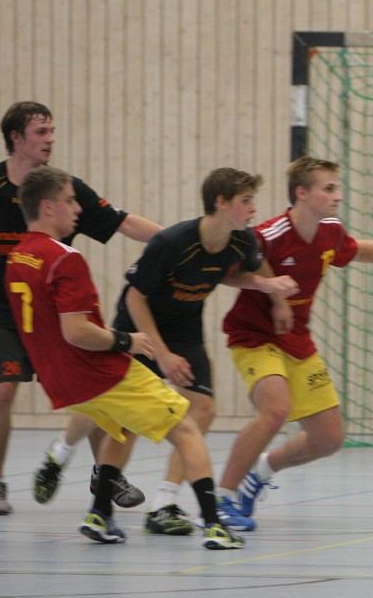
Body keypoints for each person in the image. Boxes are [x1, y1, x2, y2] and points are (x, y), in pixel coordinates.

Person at [0, 101, 160, 515]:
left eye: (52, 131)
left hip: (61, 315)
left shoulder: (62, 189)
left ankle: (105, 474)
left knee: (99, 389)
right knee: (3, 389)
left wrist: (172, 240)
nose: (51, 139)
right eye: (41, 133)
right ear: (16, 138)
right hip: (6, 310)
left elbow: (122, 222)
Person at [3, 165, 245, 549]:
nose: (77, 209)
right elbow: (76, 331)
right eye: (69, 201)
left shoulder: (18, 256)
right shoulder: (65, 259)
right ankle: (214, 525)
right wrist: (125, 341)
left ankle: (99, 516)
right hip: (97, 371)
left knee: (119, 427)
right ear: (47, 207)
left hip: (60, 380)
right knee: (186, 429)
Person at [211, 156, 373, 531]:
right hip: (254, 337)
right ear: (301, 193)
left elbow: (356, 250)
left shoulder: (330, 231)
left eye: (337, 188)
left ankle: (261, 472)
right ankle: (220, 501)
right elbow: (229, 274)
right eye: (329, 188)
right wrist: (273, 292)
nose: (338, 195)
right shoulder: (267, 235)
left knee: (328, 438)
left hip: (298, 340)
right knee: (275, 411)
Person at [109, 167, 296, 536]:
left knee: (204, 407)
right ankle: (97, 505)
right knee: (123, 420)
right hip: (139, 325)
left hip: (184, 326)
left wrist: (267, 287)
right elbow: (135, 297)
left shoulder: (242, 240)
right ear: (221, 203)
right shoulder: (171, 242)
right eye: (246, 201)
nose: (253, 208)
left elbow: (230, 274)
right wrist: (160, 354)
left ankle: (164, 504)